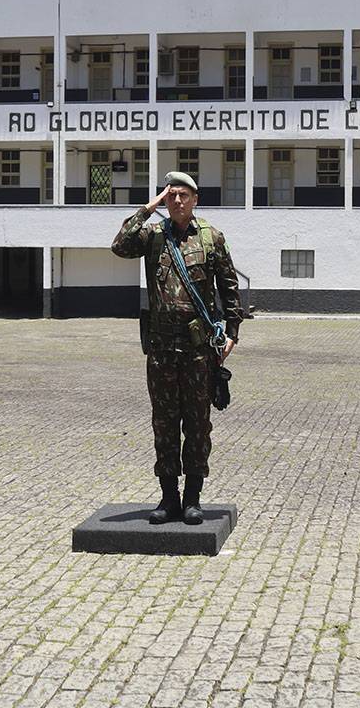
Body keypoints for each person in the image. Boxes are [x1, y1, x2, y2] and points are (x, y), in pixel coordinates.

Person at [111, 171, 243, 525]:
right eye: (171, 196)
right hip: (162, 350)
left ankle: (193, 499)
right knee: (164, 424)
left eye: (184, 195)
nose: (178, 201)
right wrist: (146, 208)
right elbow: (120, 245)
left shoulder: (211, 238)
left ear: (195, 199)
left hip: (199, 351)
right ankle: (169, 498)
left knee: (198, 425)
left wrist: (232, 332)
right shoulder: (153, 237)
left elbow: (230, 288)